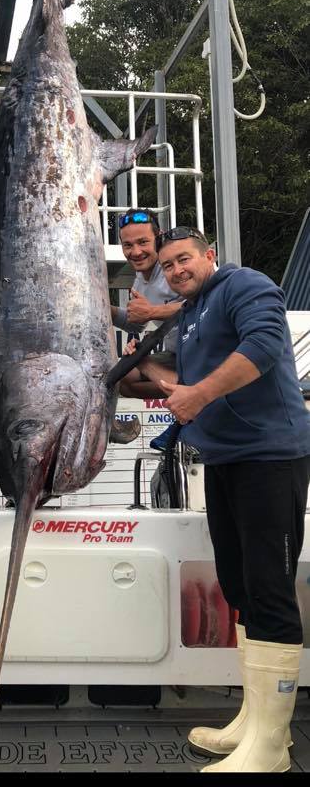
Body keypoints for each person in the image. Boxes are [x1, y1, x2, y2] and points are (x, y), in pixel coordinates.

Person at [148, 225, 310, 773]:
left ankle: (272, 746)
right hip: (224, 461)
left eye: (184, 259)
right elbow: (182, 376)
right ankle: (254, 721)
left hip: (270, 459)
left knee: (270, 590)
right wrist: (140, 365)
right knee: (239, 587)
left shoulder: (245, 284)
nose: (176, 270)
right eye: (168, 265)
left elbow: (262, 347)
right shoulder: (191, 312)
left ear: (209, 255)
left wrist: (197, 395)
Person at [110, 208, 182, 399]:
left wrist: (152, 311)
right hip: (176, 354)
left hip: (206, 349)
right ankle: (186, 390)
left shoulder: (174, 269)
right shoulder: (139, 282)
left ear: (158, 239)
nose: (136, 252)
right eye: (128, 245)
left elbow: (202, 304)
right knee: (123, 377)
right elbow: (136, 324)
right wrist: (105, 310)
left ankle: (198, 392)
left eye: (143, 242)